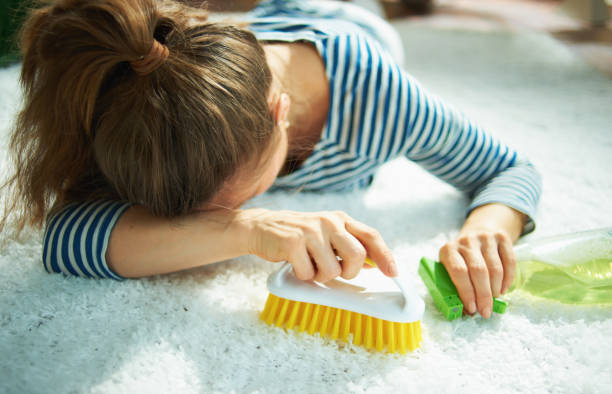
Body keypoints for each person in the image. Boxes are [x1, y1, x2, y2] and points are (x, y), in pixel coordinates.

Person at [1, 0, 541, 319]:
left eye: (234, 197)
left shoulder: (384, 98)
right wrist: (246, 226)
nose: (201, 217)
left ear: (281, 113)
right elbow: (66, 239)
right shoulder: (165, 100)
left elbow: (510, 168)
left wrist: (488, 226)